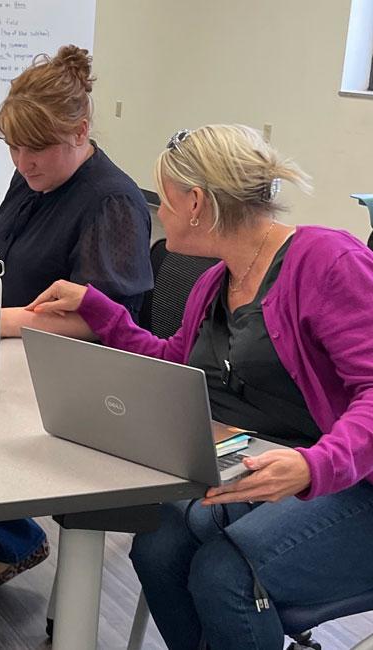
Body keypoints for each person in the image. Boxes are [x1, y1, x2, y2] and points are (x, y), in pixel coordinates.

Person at [27, 124, 373, 649]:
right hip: (259, 465)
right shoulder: (216, 281)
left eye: (163, 199)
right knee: (156, 545)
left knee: (225, 573)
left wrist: (313, 465)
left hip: (347, 481)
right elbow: (178, 365)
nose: (158, 213)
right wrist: (102, 312)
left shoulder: (328, 262)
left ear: (196, 202)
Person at [0, 46, 154, 592]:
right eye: (14, 148)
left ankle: (14, 539)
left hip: (74, 372)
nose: (23, 162)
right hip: (16, 346)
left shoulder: (109, 202)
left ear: (80, 131)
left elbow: (101, 322)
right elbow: (15, 260)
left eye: (37, 148)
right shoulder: (36, 175)